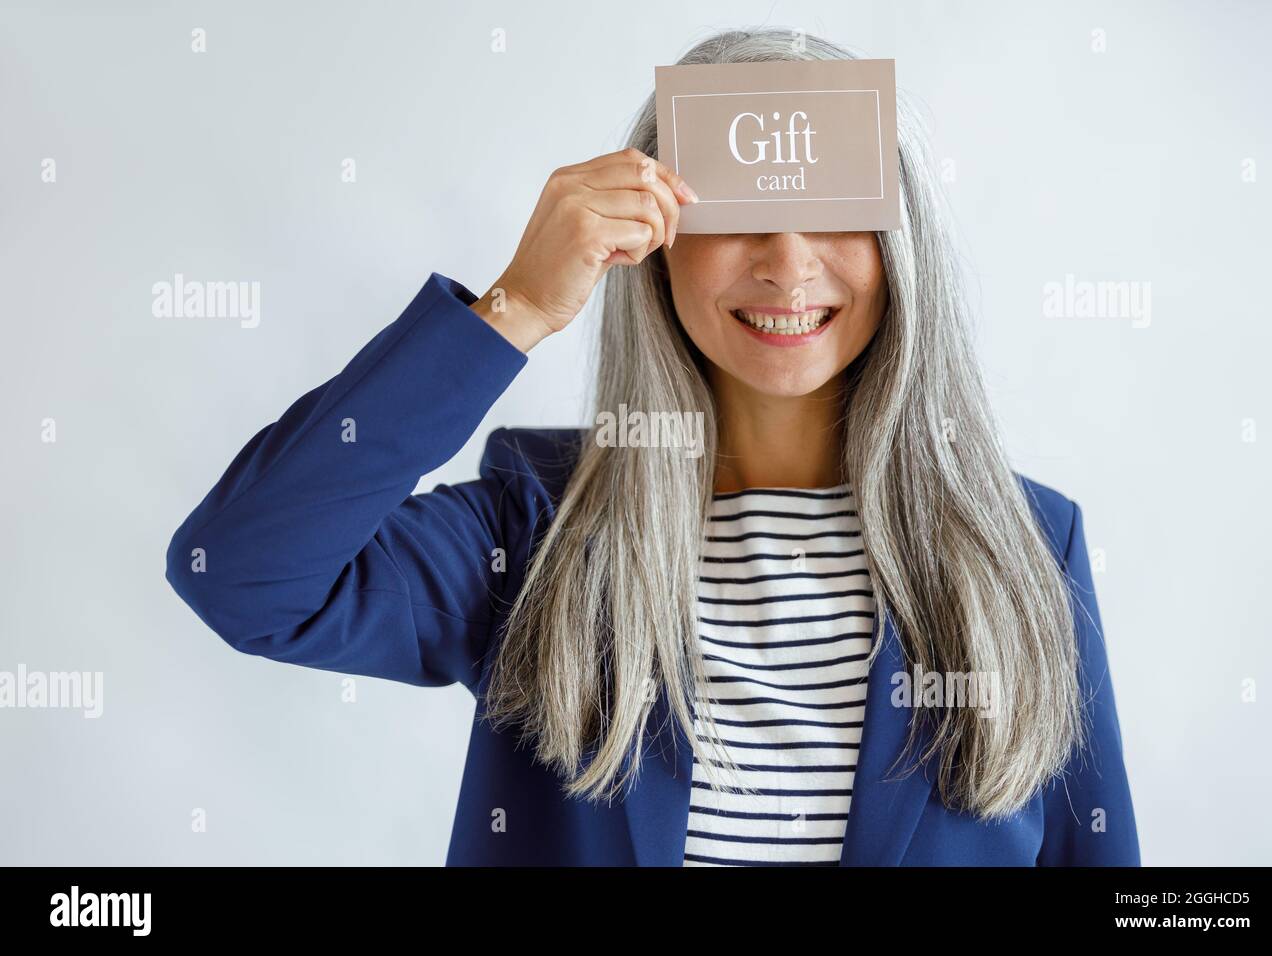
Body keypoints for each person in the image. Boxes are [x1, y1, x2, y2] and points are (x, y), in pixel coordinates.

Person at [165, 29, 1139, 866]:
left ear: (900, 241)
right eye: (733, 211)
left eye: (835, 210)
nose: (787, 263)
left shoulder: (1026, 542)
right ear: (654, 237)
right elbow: (243, 573)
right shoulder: (535, 525)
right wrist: (514, 308)